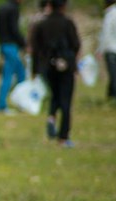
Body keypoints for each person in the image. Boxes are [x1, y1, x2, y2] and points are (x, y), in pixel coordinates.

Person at [32, 0, 80, 147]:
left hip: (48, 66)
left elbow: (36, 49)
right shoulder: (67, 23)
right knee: (66, 100)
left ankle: (51, 118)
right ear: (64, 6)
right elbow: (76, 45)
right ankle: (63, 137)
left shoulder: (41, 24)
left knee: (55, 95)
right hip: (65, 66)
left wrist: (34, 70)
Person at [0, 0, 27, 114]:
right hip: (11, 45)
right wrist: (24, 44)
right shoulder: (14, 9)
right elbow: (14, 29)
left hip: (4, 45)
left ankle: (20, 102)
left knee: (19, 73)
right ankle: (3, 105)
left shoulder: (2, 8)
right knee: (11, 75)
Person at [27, 0, 52, 78]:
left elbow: (30, 34)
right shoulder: (45, 18)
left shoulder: (35, 18)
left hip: (37, 49)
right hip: (44, 50)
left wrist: (29, 45)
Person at [100, 0, 116, 100]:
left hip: (111, 49)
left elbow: (105, 34)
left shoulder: (110, 13)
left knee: (113, 76)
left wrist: (101, 49)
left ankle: (113, 98)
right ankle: (110, 98)